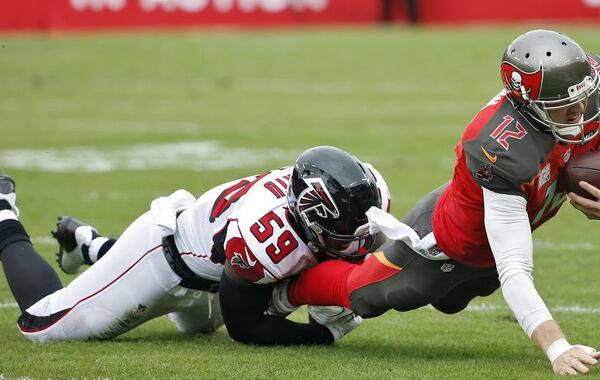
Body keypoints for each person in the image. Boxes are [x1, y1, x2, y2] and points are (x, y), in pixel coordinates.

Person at [268, 29, 600, 375]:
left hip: (488, 248)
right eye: (564, 107)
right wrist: (558, 347)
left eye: (584, 97)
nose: (582, 110)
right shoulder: (501, 146)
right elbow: (514, 267)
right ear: (530, 107)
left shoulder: (586, 89)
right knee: (366, 296)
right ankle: (282, 292)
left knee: (450, 303)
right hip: (445, 242)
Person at [0, 145, 390, 344]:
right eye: (341, 235)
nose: (356, 245)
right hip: (165, 261)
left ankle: (89, 245)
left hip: (218, 270)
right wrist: (322, 335)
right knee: (41, 326)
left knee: (197, 330)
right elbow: (245, 327)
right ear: (306, 214)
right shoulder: (266, 234)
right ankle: (4, 213)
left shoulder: (363, 193)